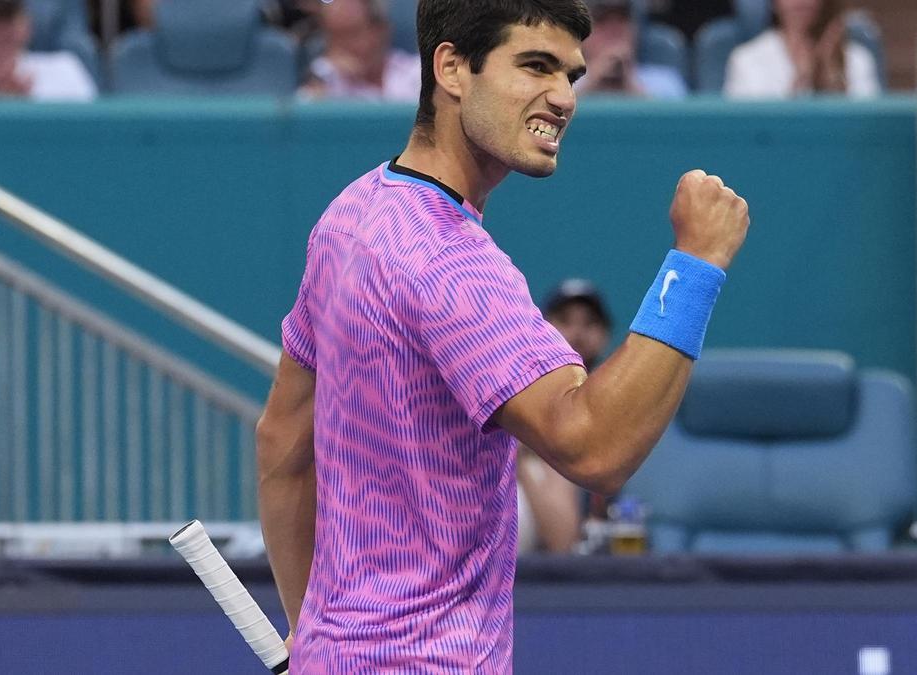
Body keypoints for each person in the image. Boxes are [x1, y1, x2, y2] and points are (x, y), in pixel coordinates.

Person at [256, 0, 750, 670]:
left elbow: (282, 444)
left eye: (570, 75)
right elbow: (594, 446)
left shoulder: (351, 216)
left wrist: (309, 631)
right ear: (453, 68)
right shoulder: (453, 264)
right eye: (535, 66)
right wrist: (695, 265)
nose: (562, 97)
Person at [517, 279, 612, 554]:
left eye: (589, 323)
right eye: (566, 320)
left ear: (604, 334)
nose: (577, 332)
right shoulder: (518, 390)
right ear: (543, 328)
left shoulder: (616, 403)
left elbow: (563, 541)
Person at [724, 0, 880, 99]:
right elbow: (741, 131)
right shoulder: (745, 59)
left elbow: (870, 126)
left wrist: (834, 81)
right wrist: (801, 80)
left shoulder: (858, 58)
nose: (801, 2)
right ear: (773, 3)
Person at [0, 0, 96, 102]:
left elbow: (93, 129)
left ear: (26, 23)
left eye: (8, 21)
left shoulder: (65, 70)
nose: (0, 32)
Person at [300, 0, 421, 102]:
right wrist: (323, 74)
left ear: (380, 30)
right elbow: (301, 114)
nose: (341, 47)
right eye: (335, 37)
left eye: (351, 34)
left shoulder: (418, 73)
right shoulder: (325, 77)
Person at [576, 0, 687, 99]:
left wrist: (631, 85)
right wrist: (591, 82)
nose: (614, 29)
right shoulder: (563, 83)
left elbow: (677, 120)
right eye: (601, 19)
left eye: (623, 19)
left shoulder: (665, 82)